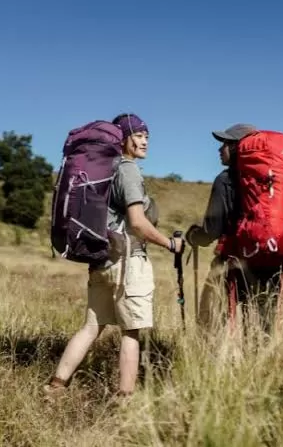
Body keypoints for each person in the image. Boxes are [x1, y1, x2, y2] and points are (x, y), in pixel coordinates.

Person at [43, 113, 184, 399]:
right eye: (139, 135)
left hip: (101, 258)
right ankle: (125, 400)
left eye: (147, 136)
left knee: (92, 326)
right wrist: (170, 244)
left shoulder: (104, 169)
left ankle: (55, 386)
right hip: (127, 262)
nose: (145, 140)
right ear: (123, 138)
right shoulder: (127, 170)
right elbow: (137, 223)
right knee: (130, 333)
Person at [185, 124, 283, 337]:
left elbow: (212, 229)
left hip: (233, 262)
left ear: (238, 147)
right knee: (261, 327)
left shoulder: (226, 180)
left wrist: (194, 236)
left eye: (225, 143)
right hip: (270, 260)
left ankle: (214, 365)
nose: (219, 149)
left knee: (210, 321)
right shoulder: (272, 179)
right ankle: (261, 367)